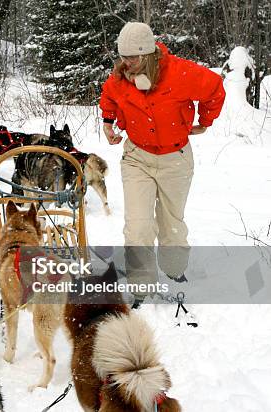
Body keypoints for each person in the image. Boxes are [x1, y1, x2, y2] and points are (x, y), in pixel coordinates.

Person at [99, 22, 226, 306]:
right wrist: (108, 123)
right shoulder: (120, 77)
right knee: (138, 225)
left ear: (148, 52)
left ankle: (174, 269)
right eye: (123, 57)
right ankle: (141, 285)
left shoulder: (180, 72)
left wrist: (204, 122)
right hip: (137, 158)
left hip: (175, 159)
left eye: (133, 57)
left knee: (171, 223)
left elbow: (215, 89)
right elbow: (108, 97)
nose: (127, 63)